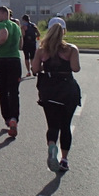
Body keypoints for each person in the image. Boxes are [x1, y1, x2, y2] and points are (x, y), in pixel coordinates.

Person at [31, 17, 81, 172]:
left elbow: (34, 70)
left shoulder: (42, 50)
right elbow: (75, 68)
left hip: (48, 91)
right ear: (64, 31)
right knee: (65, 125)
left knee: (52, 124)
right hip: (67, 90)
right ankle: (64, 159)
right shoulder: (71, 49)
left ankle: (52, 146)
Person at [0, 5, 23, 138]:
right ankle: (15, 117)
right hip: (15, 59)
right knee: (14, 91)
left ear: (4, 14)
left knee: (3, 90)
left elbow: (4, 36)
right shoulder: (16, 26)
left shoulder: (1, 25)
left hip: (3, 60)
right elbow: (21, 44)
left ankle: (8, 118)